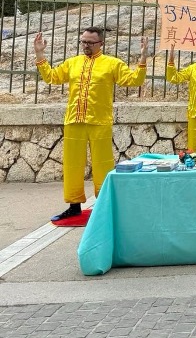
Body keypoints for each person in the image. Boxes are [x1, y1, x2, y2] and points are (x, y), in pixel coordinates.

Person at [33, 27, 148, 221]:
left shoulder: (112, 64)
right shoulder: (73, 63)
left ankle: (103, 206)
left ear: (100, 43)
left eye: (90, 42)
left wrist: (143, 58)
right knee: (72, 164)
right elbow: (51, 77)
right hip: (74, 120)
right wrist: (40, 54)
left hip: (99, 121)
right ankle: (74, 205)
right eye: (83, 41)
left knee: (102, 164)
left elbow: (134, 80)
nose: (85, 45)